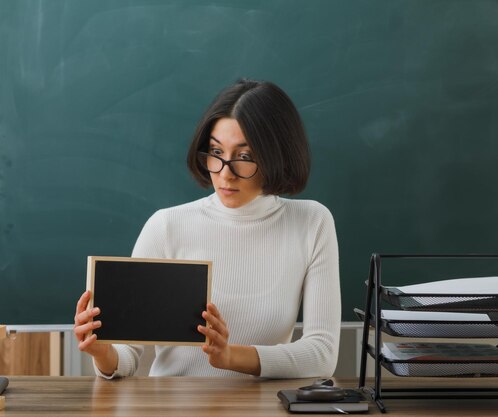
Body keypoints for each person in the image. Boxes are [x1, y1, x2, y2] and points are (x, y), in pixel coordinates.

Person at [74, 78, 341, 378]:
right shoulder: (167, 227)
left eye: (244, 157)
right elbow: (127, 356)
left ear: (276, 155)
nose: (226, 174)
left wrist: (231, 356)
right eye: (216, 152)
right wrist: (102, 352)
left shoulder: (312, 223)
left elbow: (322, 353)